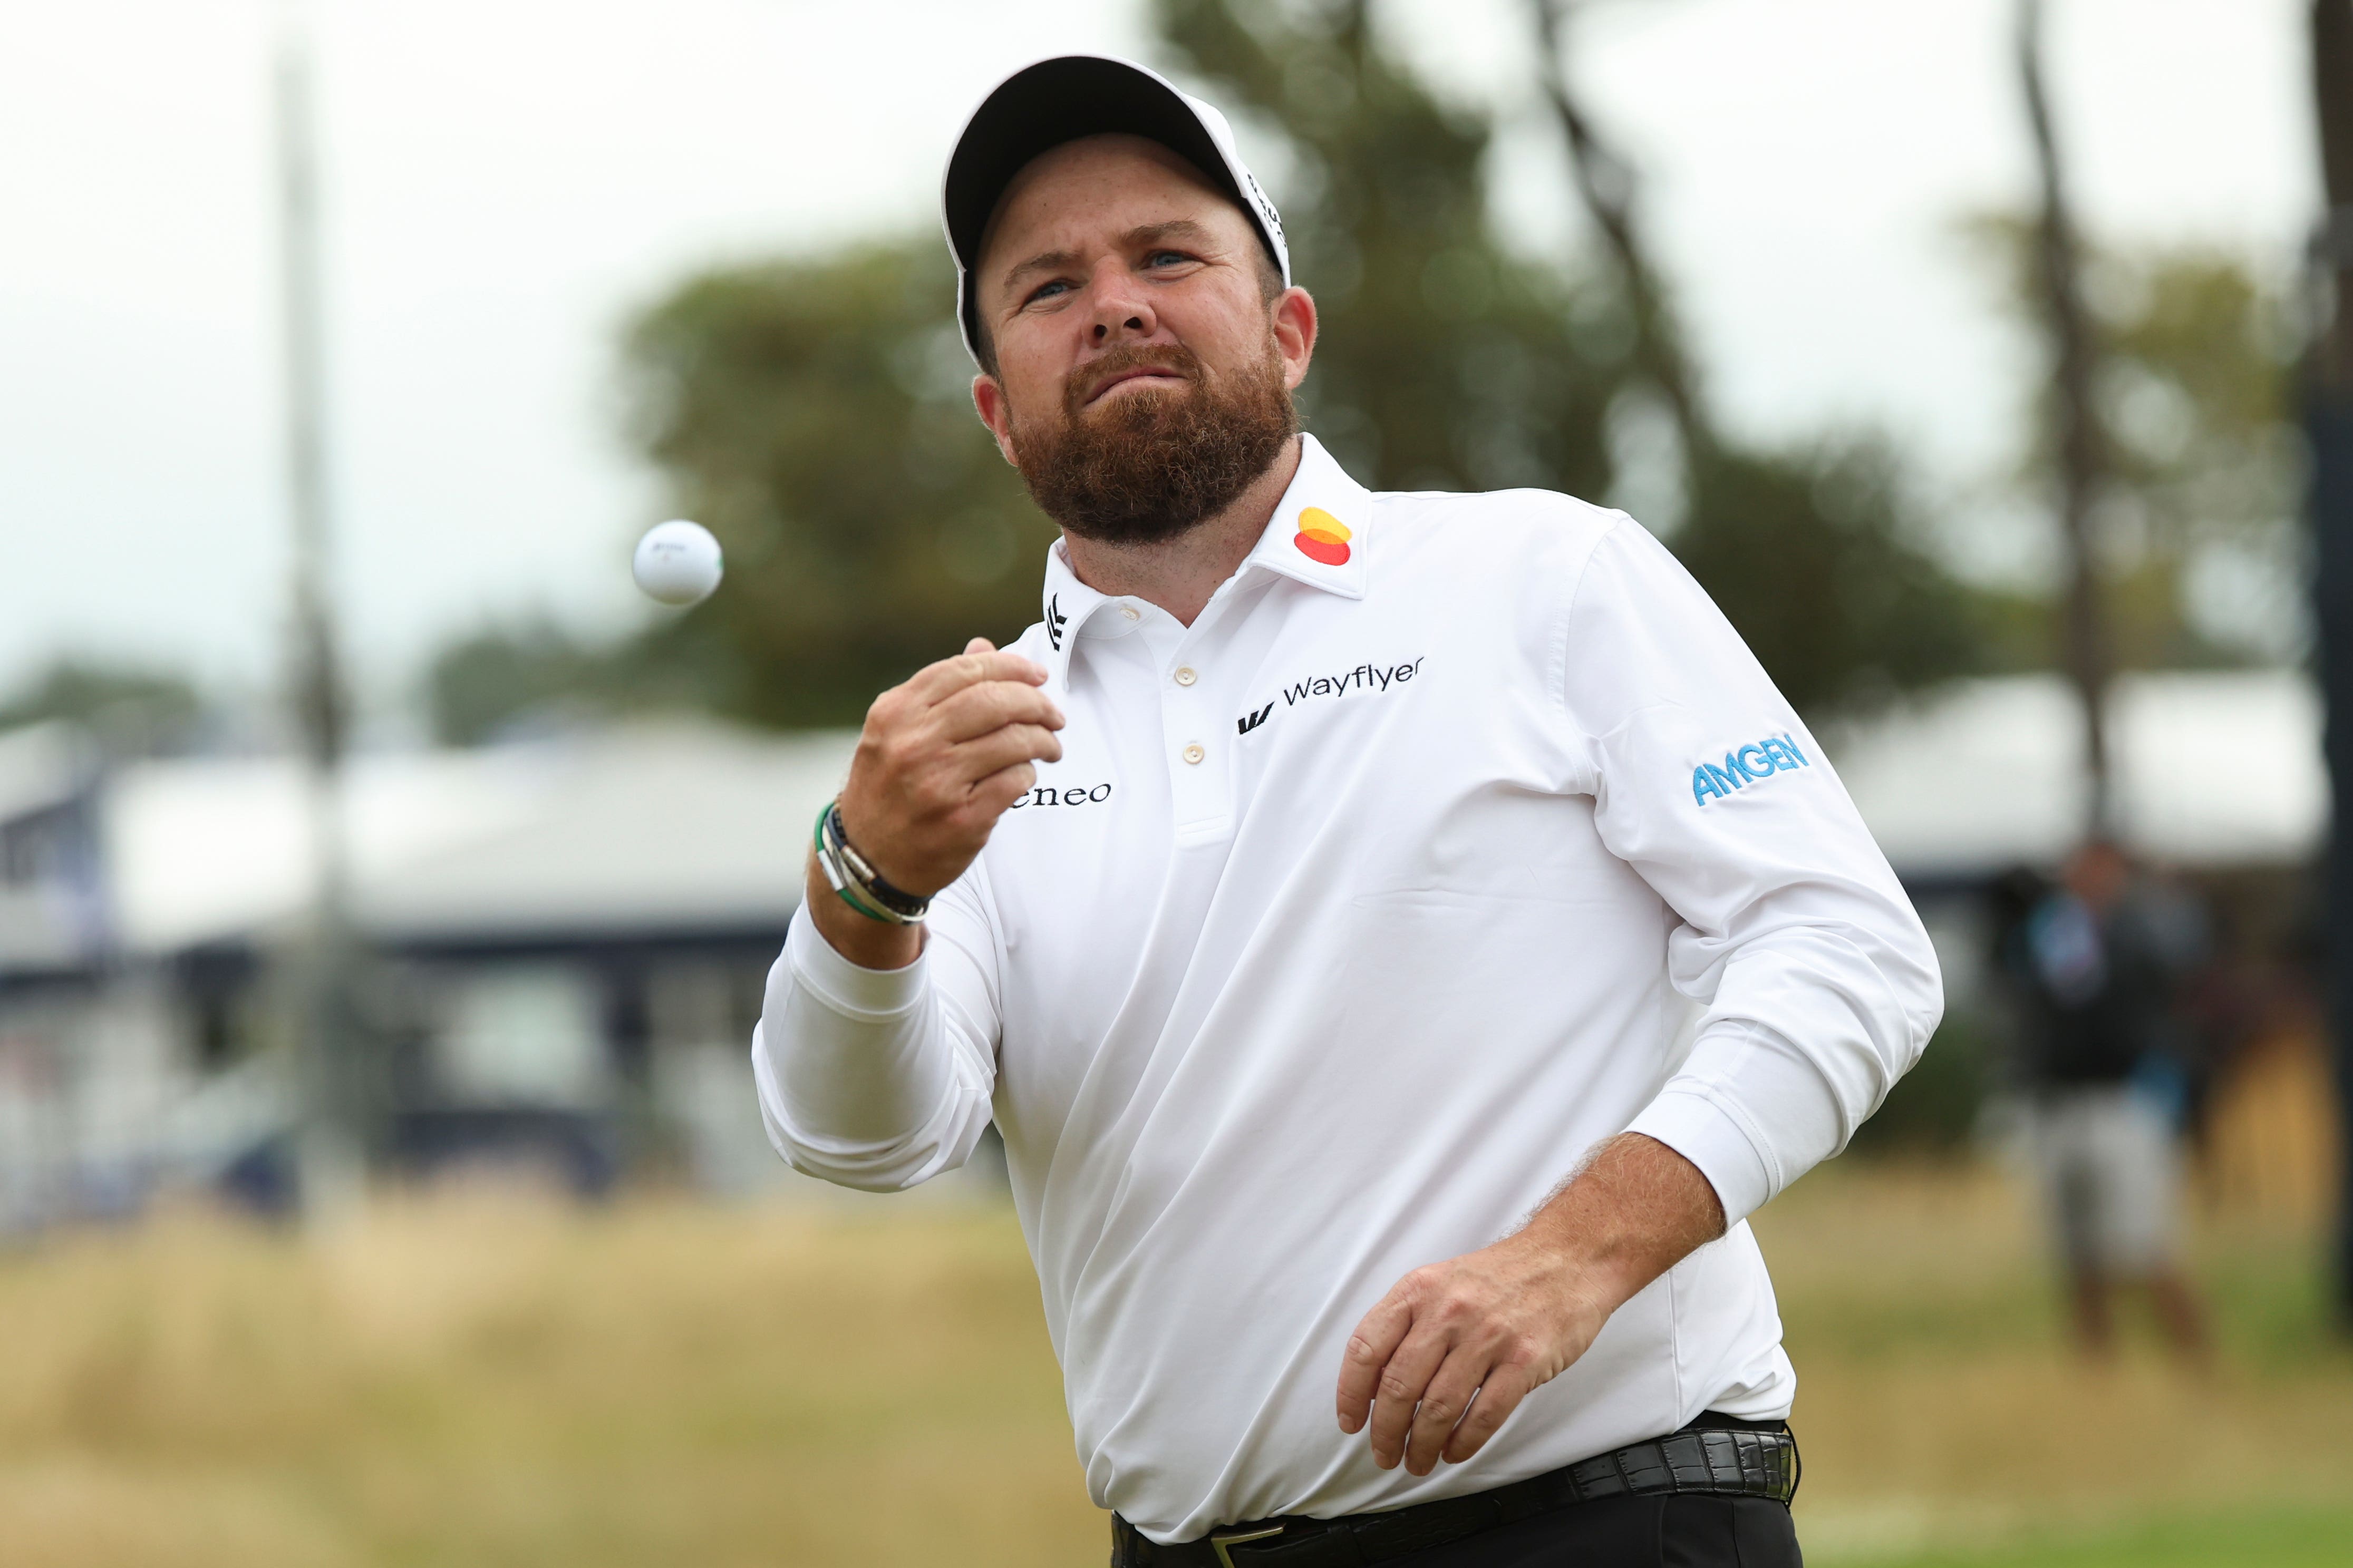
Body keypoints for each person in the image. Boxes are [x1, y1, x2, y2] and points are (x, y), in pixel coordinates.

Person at [753, 55, 1942, 1567]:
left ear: (1286, 329)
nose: (1111, 302)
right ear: (997, 409)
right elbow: (863, 1141)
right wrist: (864, 887)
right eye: (1047, 286)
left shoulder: (1538, 575)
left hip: (1608, 1520)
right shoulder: (966, 752)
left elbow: (1843, 945)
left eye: (1166, 256)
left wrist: (1569, 1257)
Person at [2006, 841, 2210, 1361]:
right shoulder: (2051, 932)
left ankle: (2199, 1364)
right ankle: (2098, 1373)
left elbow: (2159, 988)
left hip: (2123, 1100)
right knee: (2079, 1257)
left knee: (2143, 1247)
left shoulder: (2143, 928)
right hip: (2060, 1101)